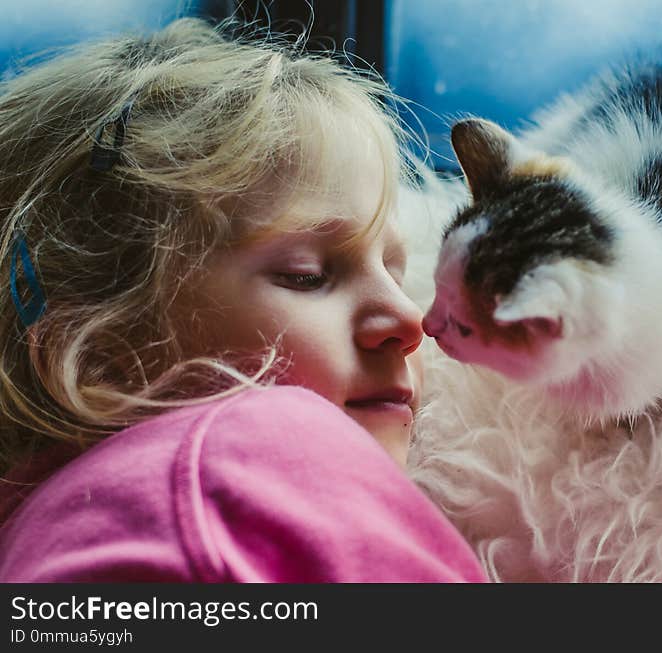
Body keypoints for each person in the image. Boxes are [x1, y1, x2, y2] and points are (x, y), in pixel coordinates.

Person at [0, 18, 487, 582]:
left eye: (397, 276)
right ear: (97, 348)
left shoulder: (40, 525)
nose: (411, 320)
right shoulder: (239, 457)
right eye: (306, 276)